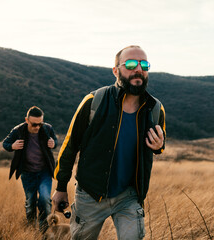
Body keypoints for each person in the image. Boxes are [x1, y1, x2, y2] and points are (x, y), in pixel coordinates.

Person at [52, 45, 166, 240]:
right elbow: (70, 146)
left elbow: (159, 145)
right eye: (130, 63)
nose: (138, 69)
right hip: (90, 195)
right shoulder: (93, 101)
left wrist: (159, 147)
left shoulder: (155, 109)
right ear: (116, 71)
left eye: (144, 64)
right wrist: (61, 186)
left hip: (129, 196)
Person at [3, 106, 58, 233]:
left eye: (40, 124)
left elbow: (55, 140)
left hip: (44, 172)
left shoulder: (47, 128)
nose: (37, 127)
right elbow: (5, 143)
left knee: (45, 199)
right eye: (34, 124)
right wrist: (12, 145)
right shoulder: (18, 130)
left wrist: (53, 143)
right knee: (30, 203)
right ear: (26, 120)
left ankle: (44, 231)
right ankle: (31, 229)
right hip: (27, 173)